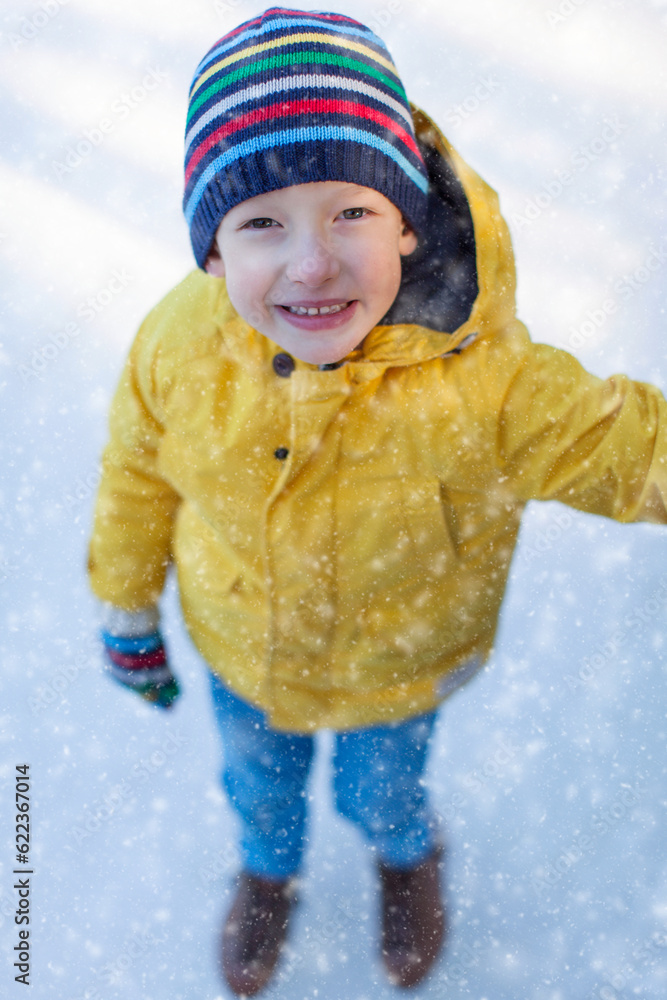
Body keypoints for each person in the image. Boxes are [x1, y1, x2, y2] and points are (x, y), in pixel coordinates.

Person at [87, 7, 667, 996]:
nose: (310, 261)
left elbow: (625, 446)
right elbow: (136, 474)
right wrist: (127, 604)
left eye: (349, 212)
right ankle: (268, 873)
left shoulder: (483, 385)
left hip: (400, 661)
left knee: (384, 791)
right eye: (262, 221)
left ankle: (408, 857)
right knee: (258, 789)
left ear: (405, 220)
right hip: (243, 645)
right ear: (214, 251)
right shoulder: (177, 348)